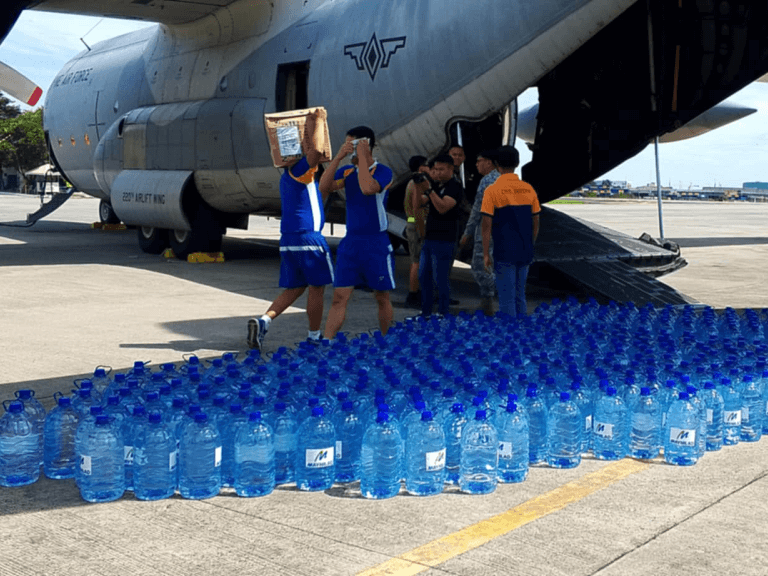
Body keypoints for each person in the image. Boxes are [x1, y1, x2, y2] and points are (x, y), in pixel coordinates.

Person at [247, 111, 334, 349]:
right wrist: (317, 121)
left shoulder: (288, 177)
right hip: (308, 238)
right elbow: (315, 153)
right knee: (317, 287)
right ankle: (314, 337)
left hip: (289, 239)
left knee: (296, 286)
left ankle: (264, 320)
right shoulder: (301, 170)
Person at [319, 126, 395, 338]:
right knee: (339, 296)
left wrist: (362, 157)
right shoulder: (347, 172)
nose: (349, 149)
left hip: (376, 242)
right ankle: (328, 341)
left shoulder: (383, 171)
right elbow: (323, 187)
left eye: (351, 144)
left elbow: (368, 188)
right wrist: (338, 157)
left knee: (381, 296)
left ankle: (386, 339)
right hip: (351, 242)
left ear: (366, 144)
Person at [481, 146, 541, 317]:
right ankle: (522, 334)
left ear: (496, 165)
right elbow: (536, 221)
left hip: (504, 251)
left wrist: (486, 254)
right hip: (525, 250)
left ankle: (510, 336)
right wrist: (531, 242)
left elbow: (486, 224)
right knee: (520, 296)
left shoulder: (492, 190)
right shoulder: (528, 189)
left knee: (506, 299)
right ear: (517, 163)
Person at [413, 154, 464, 317]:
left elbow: (443, 207)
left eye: (441, 169)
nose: (437, 173)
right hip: (430, 237)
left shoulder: (454, 187)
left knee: (440, 278)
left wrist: (429, 189)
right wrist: (418, 186)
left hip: (445, 239)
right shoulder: (435, 185)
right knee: (424, 276)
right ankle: (426, 312)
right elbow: (418, 204)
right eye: (434, 169)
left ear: (451, 169)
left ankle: (443, 312)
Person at [460, 149, 500, 316]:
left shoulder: (487, 181)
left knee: (480, 267)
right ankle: (490, 302)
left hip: (486, 231)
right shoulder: (504, 179)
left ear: (489, 162)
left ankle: (493, 296)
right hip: (503, 232)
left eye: (479, 161)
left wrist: (467, 232)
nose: (476, 165)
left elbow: (477, 210)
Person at [403, 155, 430, 309]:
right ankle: (413, 294)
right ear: (421, 167)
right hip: (415, 225)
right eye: (426, 165)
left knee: (417, 260)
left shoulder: (411, 182)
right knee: (416, 261)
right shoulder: (416, 183)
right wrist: (421, 231)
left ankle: (415, 292)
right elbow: (416, 208)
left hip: (412, 224)